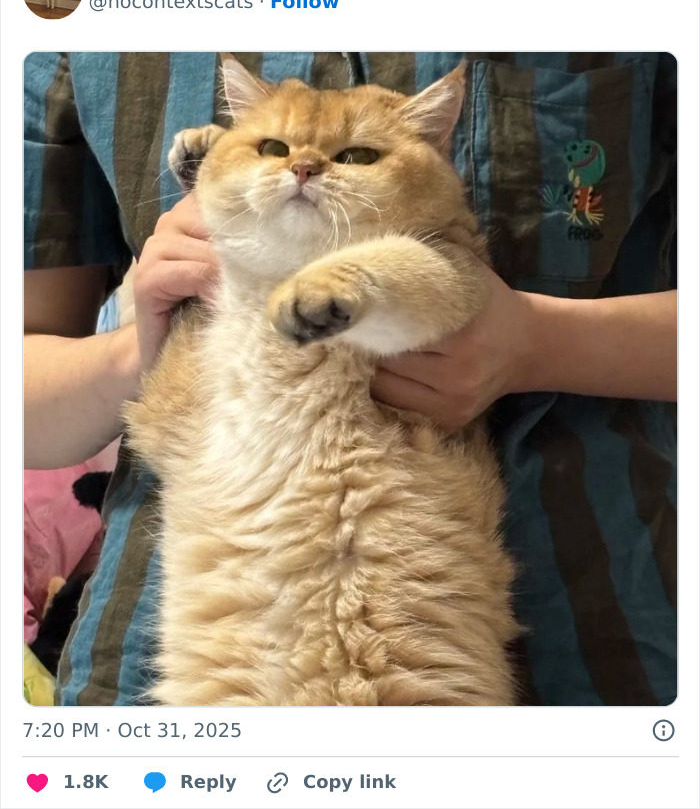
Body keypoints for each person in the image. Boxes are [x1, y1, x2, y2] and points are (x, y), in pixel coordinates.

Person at [24, 52, 677, 705]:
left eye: (355, 156)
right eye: (275, 147)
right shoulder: (73, 41)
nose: (304, 165)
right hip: (217, 629)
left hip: (465, 623)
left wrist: (538, 341)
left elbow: (431, 280)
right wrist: (136, 351)